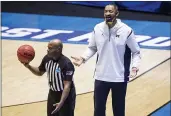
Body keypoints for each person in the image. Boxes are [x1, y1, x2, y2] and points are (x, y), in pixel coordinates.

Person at [71, 4, 141, 116]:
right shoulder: (98, 28)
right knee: (98, 110)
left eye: (111, 11)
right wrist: (83, 58)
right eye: (106, 11)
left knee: (118, 111)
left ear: (117, 14)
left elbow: (136, 52)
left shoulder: (127, 31)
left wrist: (134, 67)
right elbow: (92, 47)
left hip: (119, 77)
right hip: (101, 76)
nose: (108, 14)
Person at [20, 39, 76, 116]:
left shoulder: (67, 64)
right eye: (48, 47)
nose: (47, 50)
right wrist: (28, 66)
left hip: (66, 96)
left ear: (58, 49)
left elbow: (67, 86)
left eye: (50, 48)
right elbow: (39, 72)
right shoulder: (47, 58)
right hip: (52, 93)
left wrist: (61, 102)